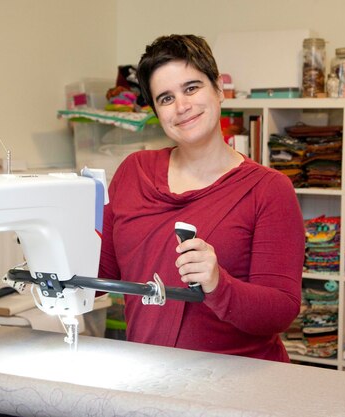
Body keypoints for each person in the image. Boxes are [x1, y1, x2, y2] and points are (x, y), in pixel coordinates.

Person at [98, 34, 305, 362]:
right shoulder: (133, 172)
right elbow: (101, 276)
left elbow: (280, 311)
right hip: (150, 376)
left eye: (191, 88)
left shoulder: (268, 189)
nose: (181, 106)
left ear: (219, 89)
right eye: (166, 98)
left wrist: (217, 283)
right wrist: (55, 242)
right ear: (156, 112)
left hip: (239, 386)